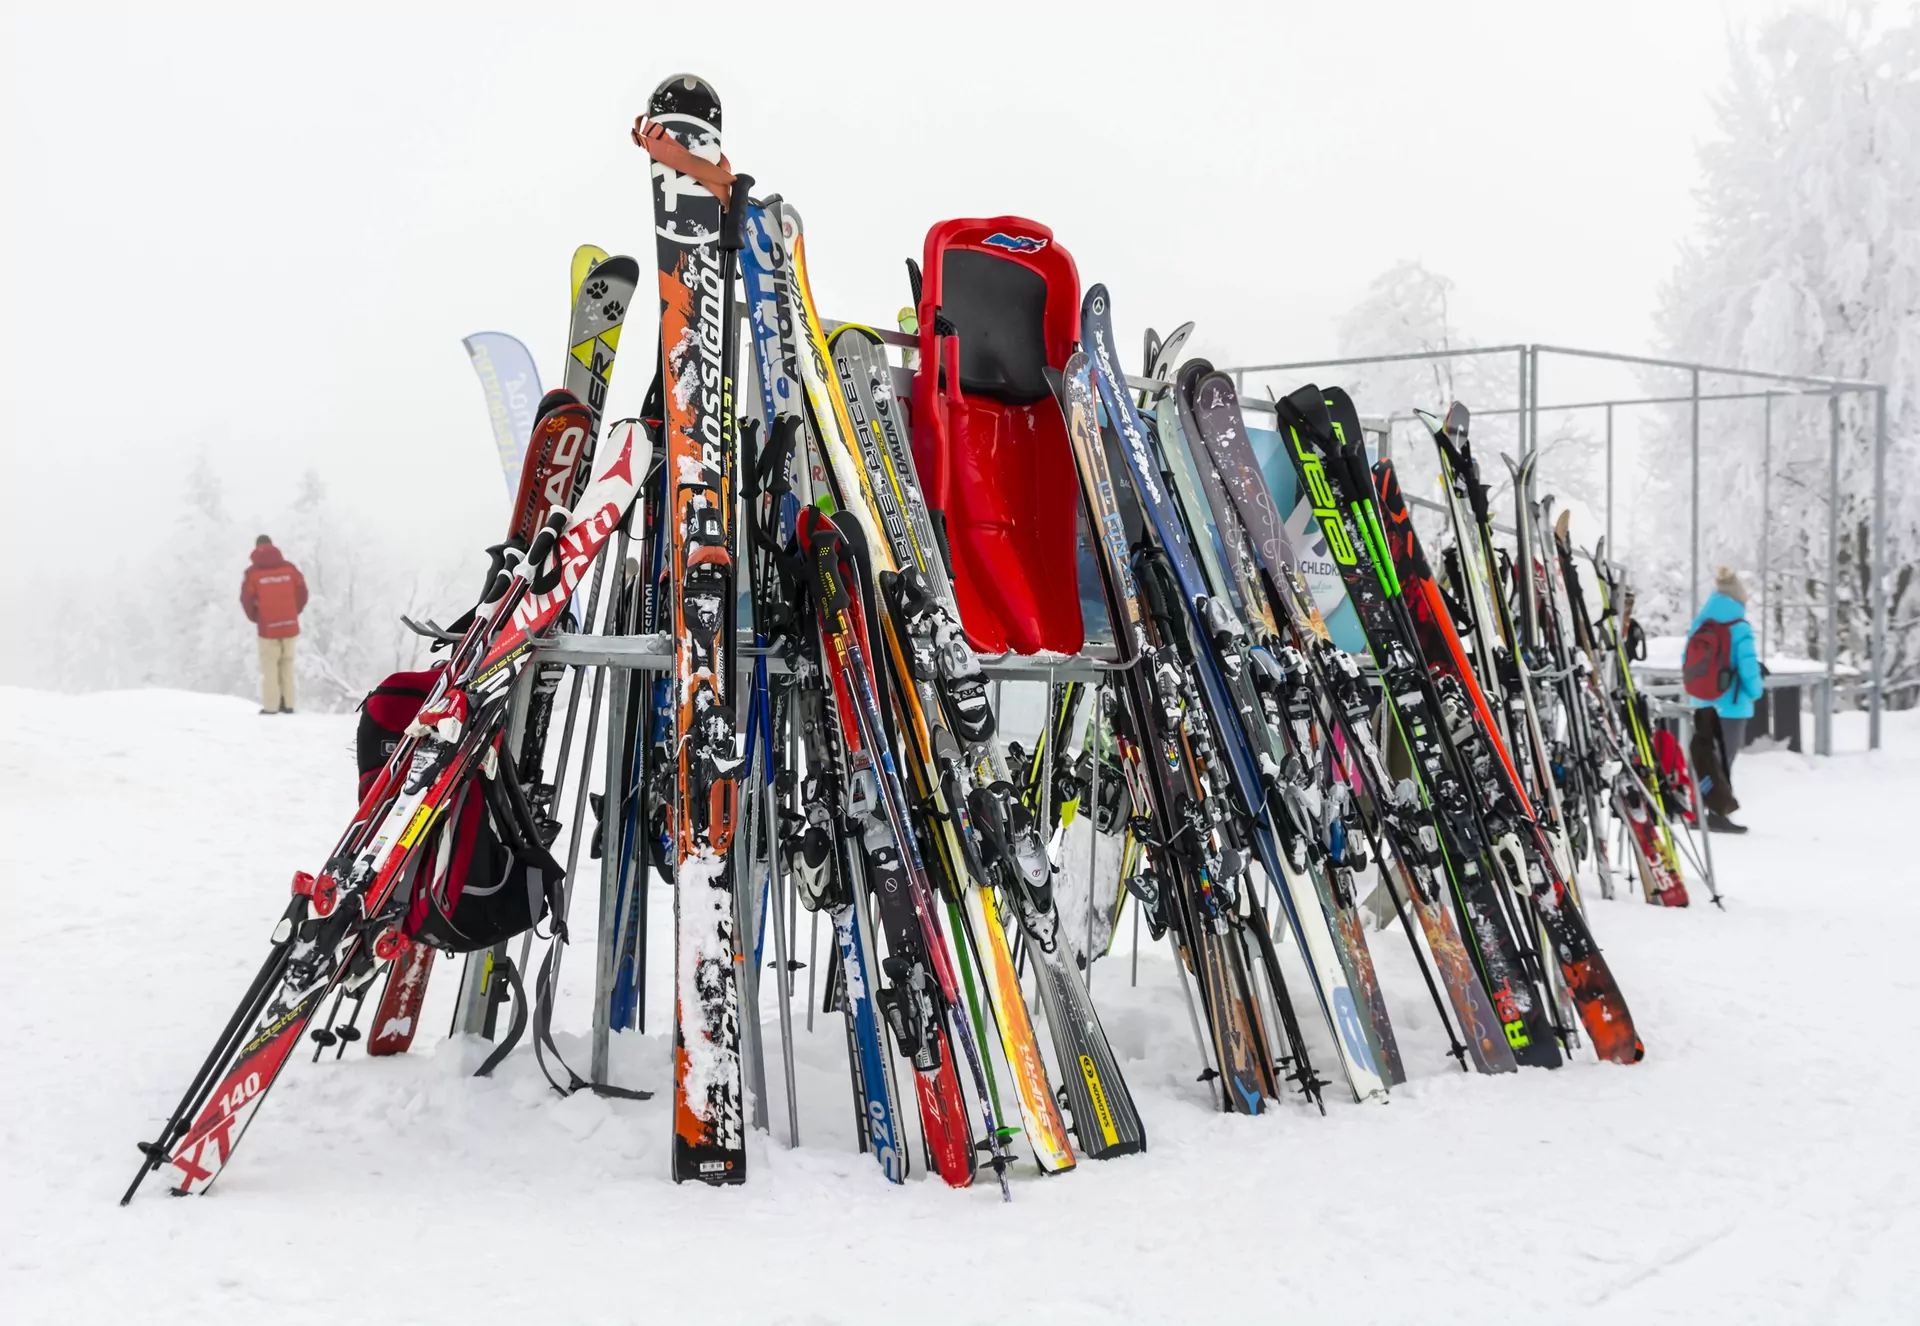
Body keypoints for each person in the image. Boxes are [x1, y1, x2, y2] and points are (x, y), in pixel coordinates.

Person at [1685, 565, 1763, 833]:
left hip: (1703, 702)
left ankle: (1697, 810)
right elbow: (1748, 666)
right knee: (1723, 761)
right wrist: (1756, 690)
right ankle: (1718, 814)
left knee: (1705, 757)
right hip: (1731, 705)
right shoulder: (1738, 626)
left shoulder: (1702, 621)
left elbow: (1689, 660)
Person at [240, 535, 308, 714]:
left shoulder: (253, 573)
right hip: (290, 625)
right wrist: (293, 612)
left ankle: (271, 706)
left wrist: (258, 617)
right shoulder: (290, 569)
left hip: (268, 628)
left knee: (270, 667)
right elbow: (302, 592)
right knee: (287, 664)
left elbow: (246, 599)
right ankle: (289, 704)